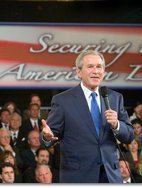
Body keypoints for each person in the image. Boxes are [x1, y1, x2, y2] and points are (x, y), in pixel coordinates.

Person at [41, 50, 134, 183]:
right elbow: (50, 135)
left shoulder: (115, 98)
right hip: (78, 176)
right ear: (78, 72)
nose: (95, 71)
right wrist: (46, 136)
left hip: (110, 175)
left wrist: (117, 125)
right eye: (90, 66)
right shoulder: (63, 100)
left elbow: (129, 135)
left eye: (99, 66)